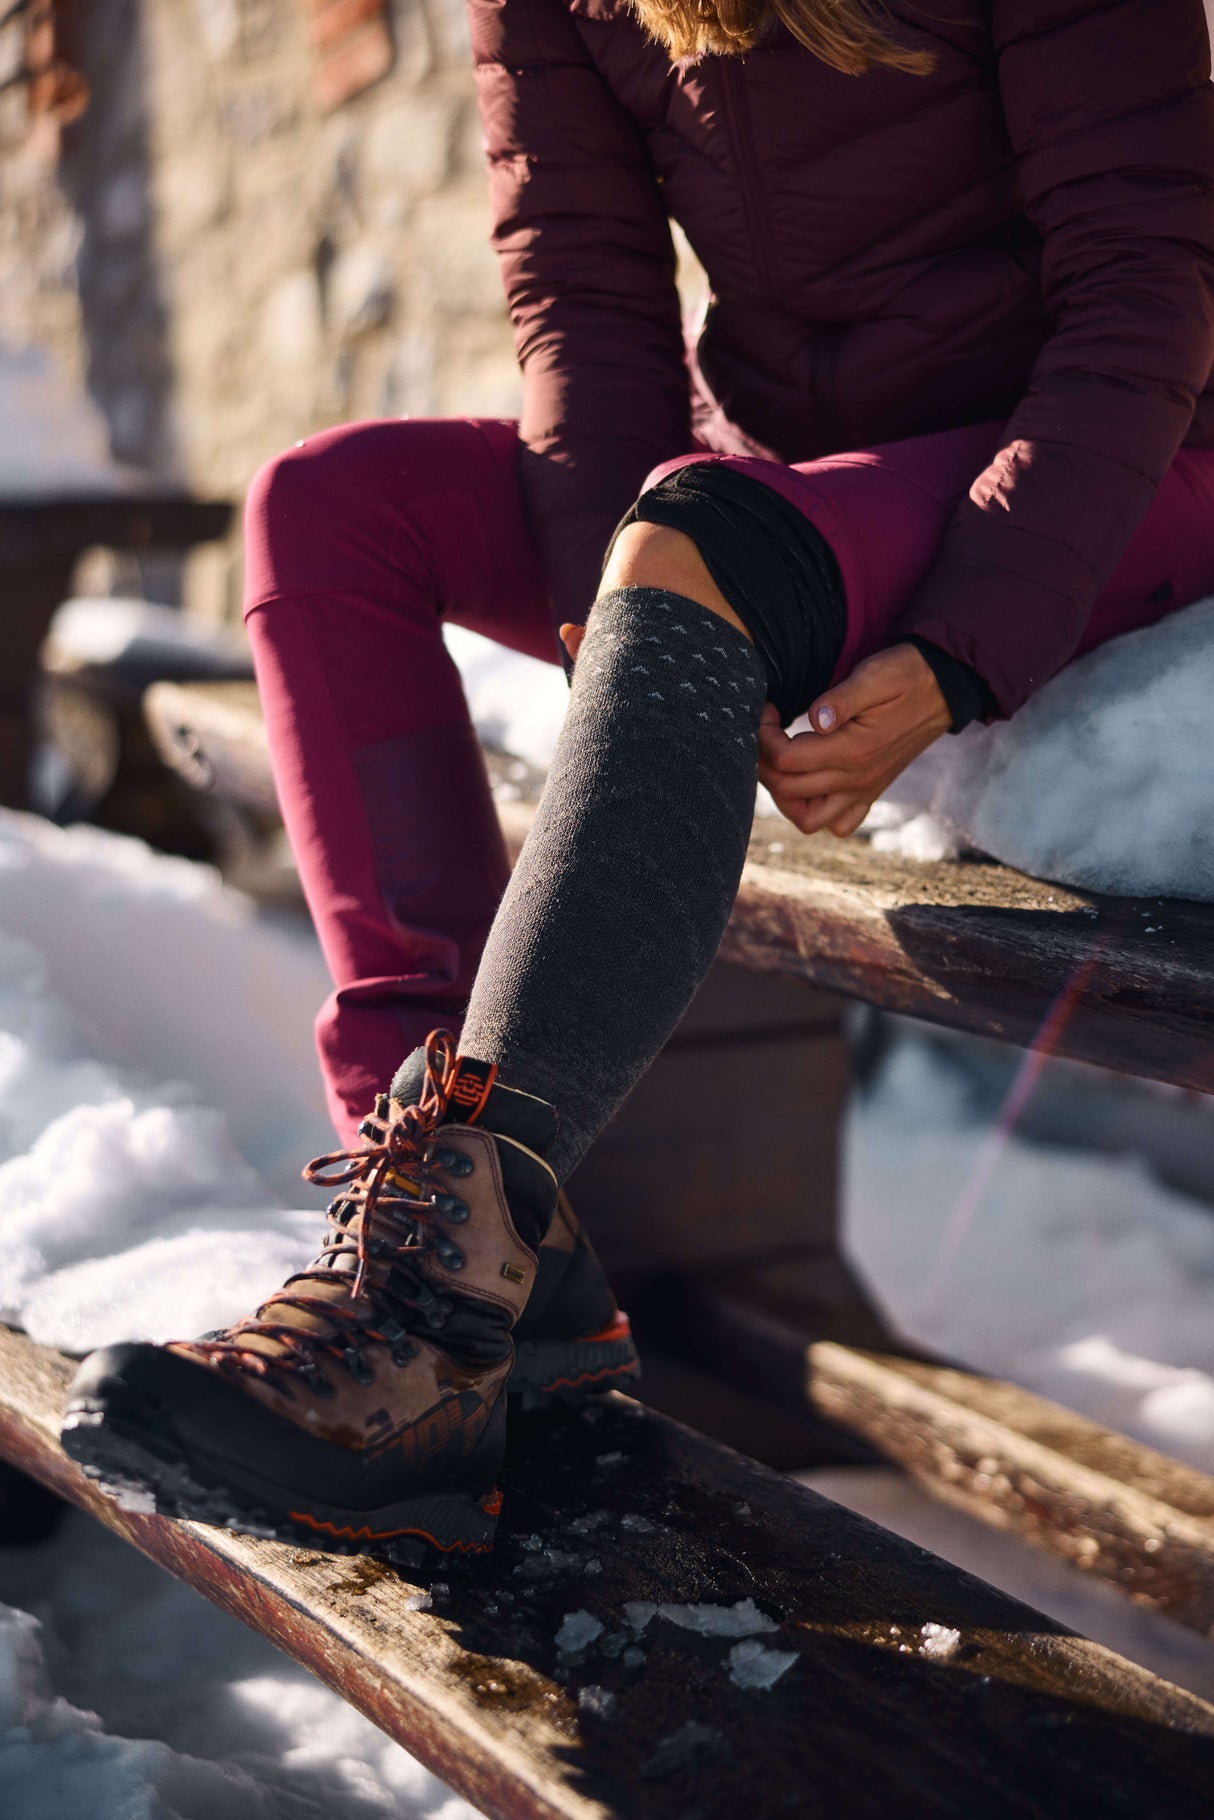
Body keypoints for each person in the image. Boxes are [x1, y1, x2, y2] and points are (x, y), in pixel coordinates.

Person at [61, 0, 1214, 1562]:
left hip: (1123, 463)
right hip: (798, 495)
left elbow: (1144, 295)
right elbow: (585, 310)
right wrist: (630, 642)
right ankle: (455, 1258)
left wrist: (958, 647)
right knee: (329, 509)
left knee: (699, 530)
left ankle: (431, 1302)